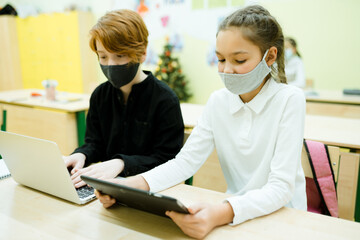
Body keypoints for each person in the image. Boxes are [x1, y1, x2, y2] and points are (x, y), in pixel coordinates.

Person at [96, 5, 307, 239]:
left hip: (284, 218)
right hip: (235, 212)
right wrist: (132, 185)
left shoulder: (290, 99)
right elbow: (185, 163)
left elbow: (280, 189)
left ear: (270, 56)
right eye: (220, 59)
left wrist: (219, 213)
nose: (227, 70)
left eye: (239, 60)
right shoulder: (218, 101)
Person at [63, 9, 184, 188]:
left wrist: (121, 163)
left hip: (149, 191)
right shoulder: (100, 96)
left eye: (120, 56)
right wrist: (82, 155)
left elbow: (167, 161)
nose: (110, 64)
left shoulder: (165, 100)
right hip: (106, 190)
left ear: (142, 53)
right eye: (103, 56)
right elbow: (94, 144)